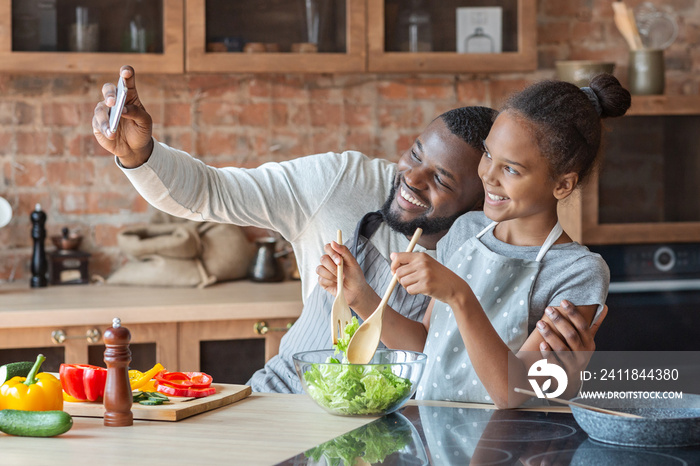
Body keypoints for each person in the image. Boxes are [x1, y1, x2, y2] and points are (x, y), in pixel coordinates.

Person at [92, 66, 605, 393]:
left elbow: (518, 387)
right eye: (414, 156)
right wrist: (140, 155)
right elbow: (212, 192)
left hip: (425, 423)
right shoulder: (358, 186)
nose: (411, 180)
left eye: (446, 179)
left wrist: (560, 380)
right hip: (300, 397)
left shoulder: (494, 245)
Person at [319, 74, 629, 407]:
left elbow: (515, 392)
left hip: (507, 446)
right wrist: (360, 297)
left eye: (511, 169)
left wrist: (458, 293)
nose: (489, 176)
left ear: (563, 185)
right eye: (487, 155)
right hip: (434, 437)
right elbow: (428, 347)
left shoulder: (578, 272)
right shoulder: (466, 230)